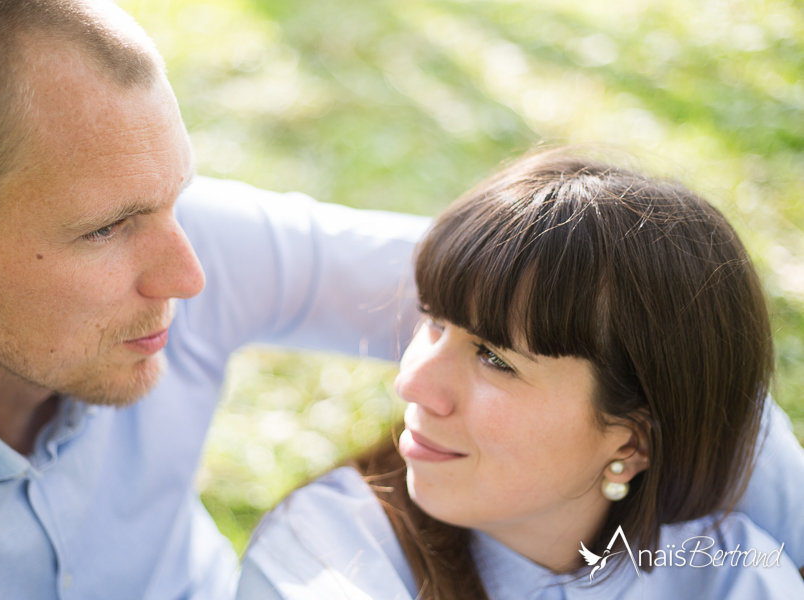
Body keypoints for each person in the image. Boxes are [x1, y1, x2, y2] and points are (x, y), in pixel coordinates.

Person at [0, 1, 429, 598]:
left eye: (177, 195)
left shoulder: (186, 236)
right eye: (105, 229)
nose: (188, 275)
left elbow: (498, 284)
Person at [239, 149, 804, 599]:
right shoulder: (325, 563)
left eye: (495, 358)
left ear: (632, 441)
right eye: (434, 323)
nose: (411, 384)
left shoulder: (734, 577)